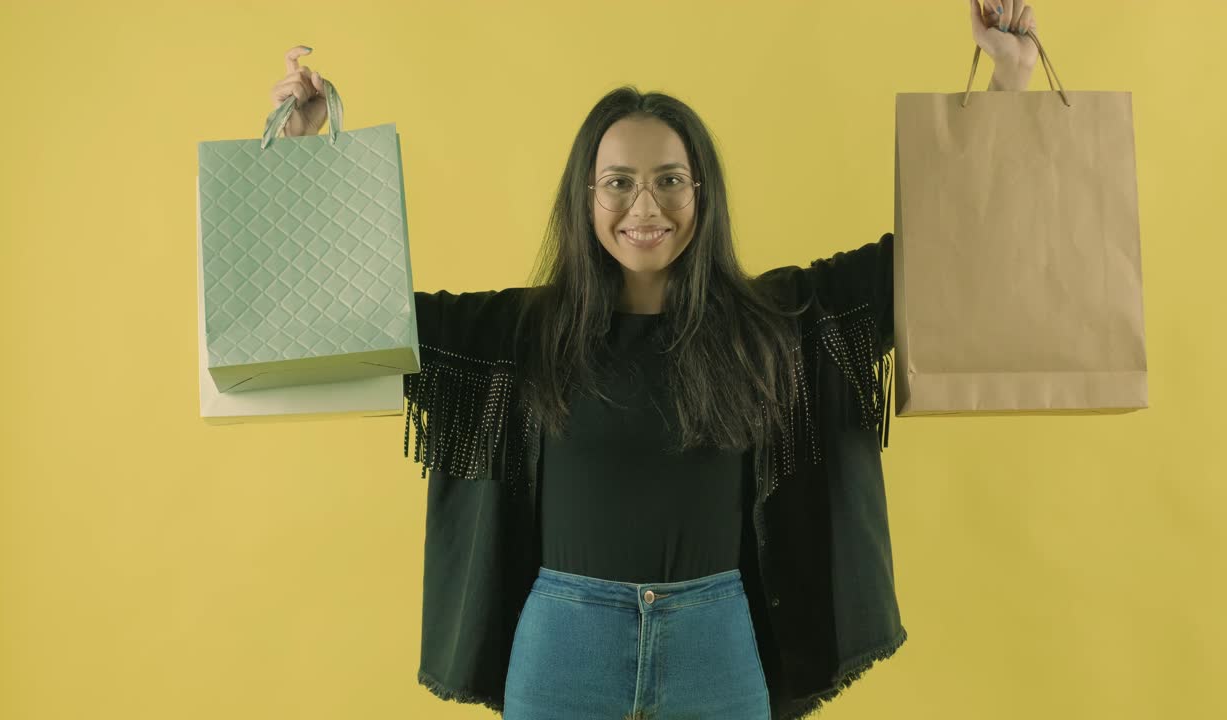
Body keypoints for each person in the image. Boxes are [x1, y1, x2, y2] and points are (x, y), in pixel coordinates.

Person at [267, 5, 1037, 717]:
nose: (646, 208)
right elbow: (351, 320)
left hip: (718, 644)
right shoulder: (514, 334)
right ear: (586, 196)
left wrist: (1008, 79)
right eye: (619, 184)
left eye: (670, 181)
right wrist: (302, 160)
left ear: (703, 192)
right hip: (562, 648)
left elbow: (939, 255)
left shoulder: (772, 324)